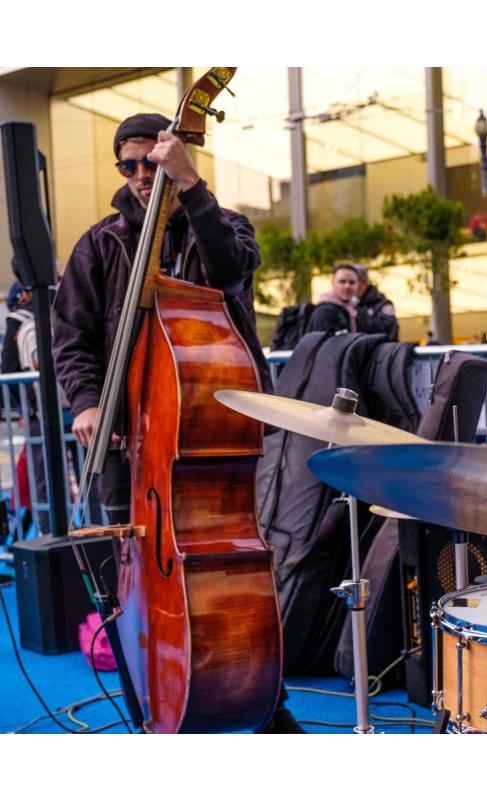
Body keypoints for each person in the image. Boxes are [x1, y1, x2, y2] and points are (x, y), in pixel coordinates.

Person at [51, 112, 300, 734]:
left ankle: (263, 701)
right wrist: (86, 401)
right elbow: (71, 338)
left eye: (151, 161)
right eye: (129, 165)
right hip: (125, 436)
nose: (141, 175)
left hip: (206, 436)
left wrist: (190, 188)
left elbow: (228, 272)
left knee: (227, 578)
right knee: (127, 584)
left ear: (174, 157)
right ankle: (151, 706)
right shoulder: (101, 242)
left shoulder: (222, 224)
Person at [306, 262, 360, 335]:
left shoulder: (355, 310)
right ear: (333, 283)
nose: (347, 286)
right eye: (342, 281)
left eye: (352, 282)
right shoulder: (324, 312)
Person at [354, 263, 398, 340]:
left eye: (352, 282)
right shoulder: (347, 304)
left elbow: (389, 332)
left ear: (364, 282)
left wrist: (360, 313)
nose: (347, 286)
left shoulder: (382, 304)